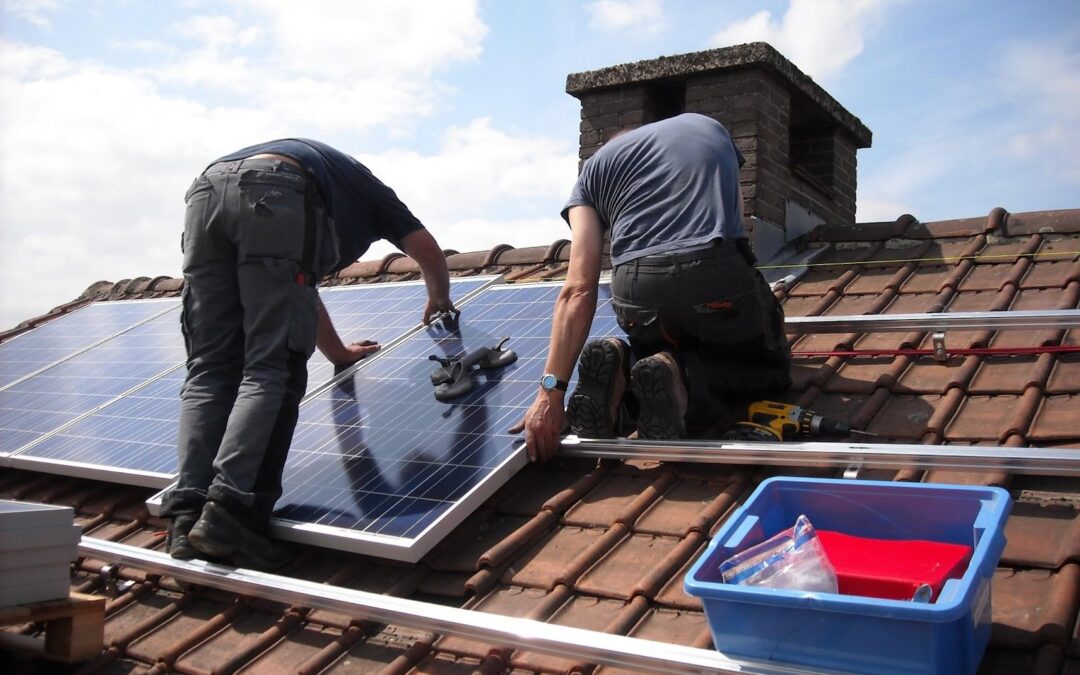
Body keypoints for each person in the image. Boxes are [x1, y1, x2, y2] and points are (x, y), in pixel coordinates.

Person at [160, 139, 455, 569]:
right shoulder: (373, 194)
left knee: (209, 370)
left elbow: (297, 291)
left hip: (206, 193)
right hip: (275, 190)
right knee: (271, 369)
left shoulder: (335, 183)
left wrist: (337, 352)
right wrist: (439, 299)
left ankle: (186, 520)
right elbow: (428, 251)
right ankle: (231, 515)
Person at [516, 113, 791, 462]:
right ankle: (684, 381)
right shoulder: (707, 126)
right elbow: (736, 227)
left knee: (660, 340)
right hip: (714, 271)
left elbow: (579, 288)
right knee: (770, 368)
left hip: (637, 290)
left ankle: (624, 364)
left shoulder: (592, 172)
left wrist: (550, 395)